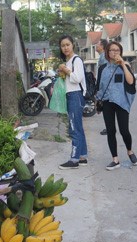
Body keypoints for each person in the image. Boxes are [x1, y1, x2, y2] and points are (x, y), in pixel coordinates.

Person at [95, 41, 137, 171]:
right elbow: (99, 86)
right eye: (112, 50)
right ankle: (115, 159)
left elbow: (131, 81)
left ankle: (129, 151)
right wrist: (98, 102)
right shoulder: (102, 68)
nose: (115, 52)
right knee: (110, 131)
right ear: (107, 52)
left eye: (117, 50)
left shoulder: (125, 66)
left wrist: (123, 65)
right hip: (107, 102)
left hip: (122, 102)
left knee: (124, 130)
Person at [56, 35, 88, 170]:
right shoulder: (68, 61)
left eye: (67, 44)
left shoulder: (76, 60)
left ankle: (74, 159)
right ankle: (82, 156)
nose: (65, 48)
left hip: (76, 95)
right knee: (78, 127)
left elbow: (77, 78)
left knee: (74, 128)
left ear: (72, 45)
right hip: (72, 95)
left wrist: (66, 70)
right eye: (63, 45)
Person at [96, 39, 109, 136]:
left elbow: (104, 73)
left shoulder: (104, 56)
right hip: (105, 86)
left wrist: (99, 87)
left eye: (98, 44)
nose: (96, 46)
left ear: (102, 46)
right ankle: (109, 127)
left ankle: (109, 128)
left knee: (106, 107)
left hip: (105, 86)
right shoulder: (102, 56)